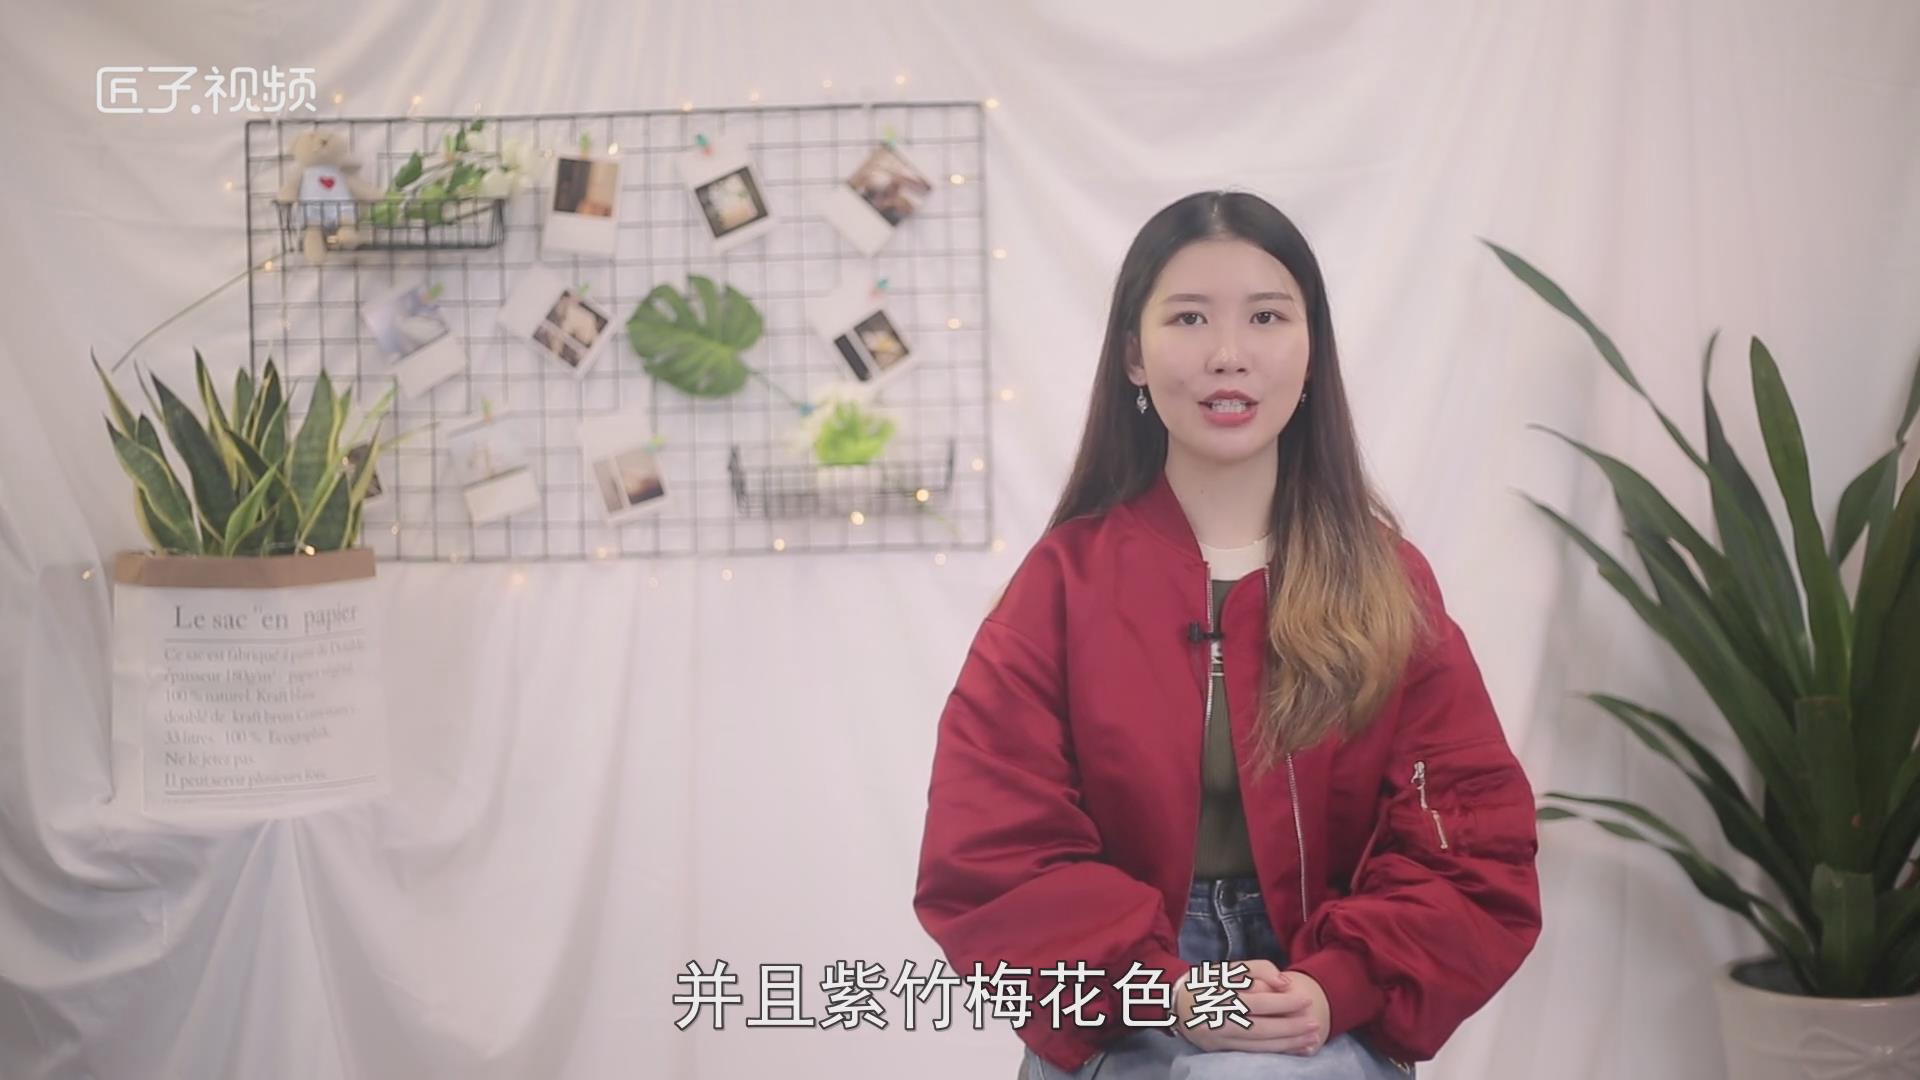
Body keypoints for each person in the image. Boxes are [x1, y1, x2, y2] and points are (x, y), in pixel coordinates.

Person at [913, 191, 1542, 1079]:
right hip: (1124, 1001)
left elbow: (1471, 845)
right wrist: (1170, 990)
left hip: (1322, 996)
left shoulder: (1386, 582)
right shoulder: (1063, 584)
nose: (1228, 354)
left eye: (1266, 317)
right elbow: (989, 849)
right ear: (1134, 356)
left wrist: (1335, 984)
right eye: (1189, 318)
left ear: (1312, 350)